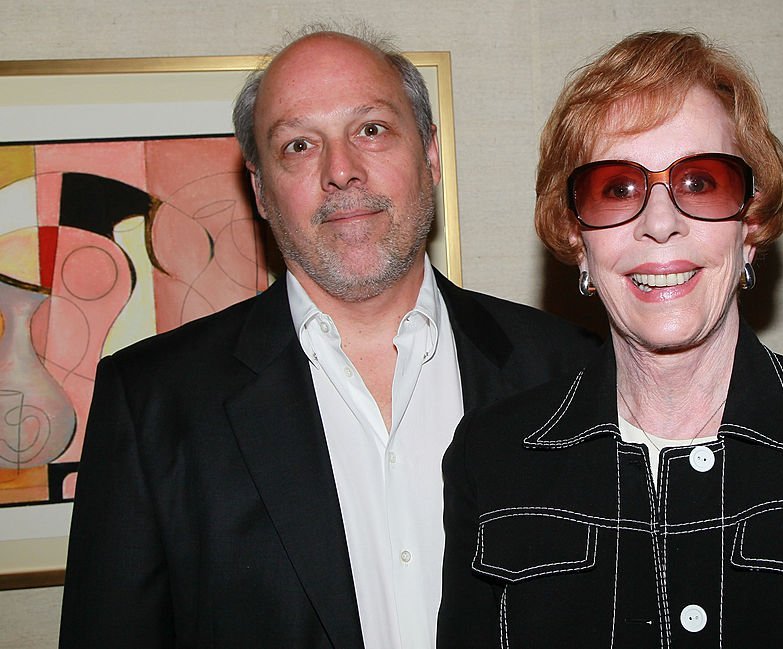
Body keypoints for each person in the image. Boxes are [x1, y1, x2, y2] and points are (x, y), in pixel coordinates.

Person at [438, 30, 783, 648]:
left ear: (749, 226)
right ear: (577, 238)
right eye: (616, 188)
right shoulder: (491, 457)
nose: (661, 224)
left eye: (701, 182)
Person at [59, 26, 597, 649]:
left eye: (370, 129)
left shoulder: (569, 373)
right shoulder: (152, 403)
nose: (341, 171)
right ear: (260, 191)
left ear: (429, 156)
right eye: (298, 145)